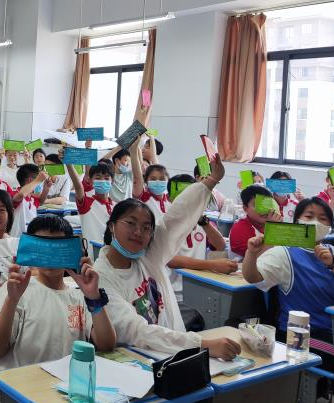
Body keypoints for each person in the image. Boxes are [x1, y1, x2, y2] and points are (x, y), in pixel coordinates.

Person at [93, 154, 242, 358]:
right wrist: (201, 345)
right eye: (130, 223)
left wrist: (212, 180)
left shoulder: (147, 256)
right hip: (139, 361)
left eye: (146, 227)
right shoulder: (101, 278)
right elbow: (137, 331)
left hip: (173, 352)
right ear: (112, 226)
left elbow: (176, 218)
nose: (138, 232)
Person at [0, 215, 116, 403]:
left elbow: (107, 344)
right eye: (43, 247)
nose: (50, 257)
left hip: (63, 393)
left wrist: (93, 297)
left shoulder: (79, 296)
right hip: (15, 394)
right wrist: (12, 300)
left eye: (58, 247)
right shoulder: (15, 289)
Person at [242, 197, 334, 400]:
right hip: (300, 336)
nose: (316, 222)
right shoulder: (284, 253)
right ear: (296, 221)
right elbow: (253, 277)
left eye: (323, 218)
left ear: (330, 226)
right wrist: (251, 254)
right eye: (309, 216)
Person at [165, 174, 232, 302]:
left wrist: (203, 221)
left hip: (199, 289)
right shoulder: (164, 224)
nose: (186, 200)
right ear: (168, 198)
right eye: (180, 195)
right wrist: (212, 265)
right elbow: (171, 260)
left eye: (191, 196)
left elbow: (220, 245)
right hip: (172, 293)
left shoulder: (203, 223)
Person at [228, 185, 282, 260]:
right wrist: (272, 229)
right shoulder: (239, 229)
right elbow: (260, 259)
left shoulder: (271, 223)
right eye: (258, 205)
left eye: (267, 205)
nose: (263, 210)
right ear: (245, 208)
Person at [68, 163, 114, 243]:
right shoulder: (86, 203)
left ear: (112, 181)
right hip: (93, 249)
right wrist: (68, 163)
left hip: (111, 249)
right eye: (98, 178)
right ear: (90, 180)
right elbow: (78, 187)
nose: (102, 181)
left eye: (106, 178)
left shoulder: (116, 206)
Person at [131, 137, 170, 218]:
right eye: (153, 179)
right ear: (146, 181)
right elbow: (137, 177)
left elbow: (154, 158)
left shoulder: (169, 198)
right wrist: (133, 150)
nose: (158, 181)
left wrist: (151, 137)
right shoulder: (144, 196)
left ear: (168, 180)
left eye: (162, 179)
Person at [10, 164, 51, 237]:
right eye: (38, 180)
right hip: (17, 238)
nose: (39, 183)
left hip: (30, 236)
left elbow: (41, 201)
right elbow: (21, 195)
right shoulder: (14, 193)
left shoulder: (32, 197)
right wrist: (38, 180)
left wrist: (46, 189)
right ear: (30, 180)